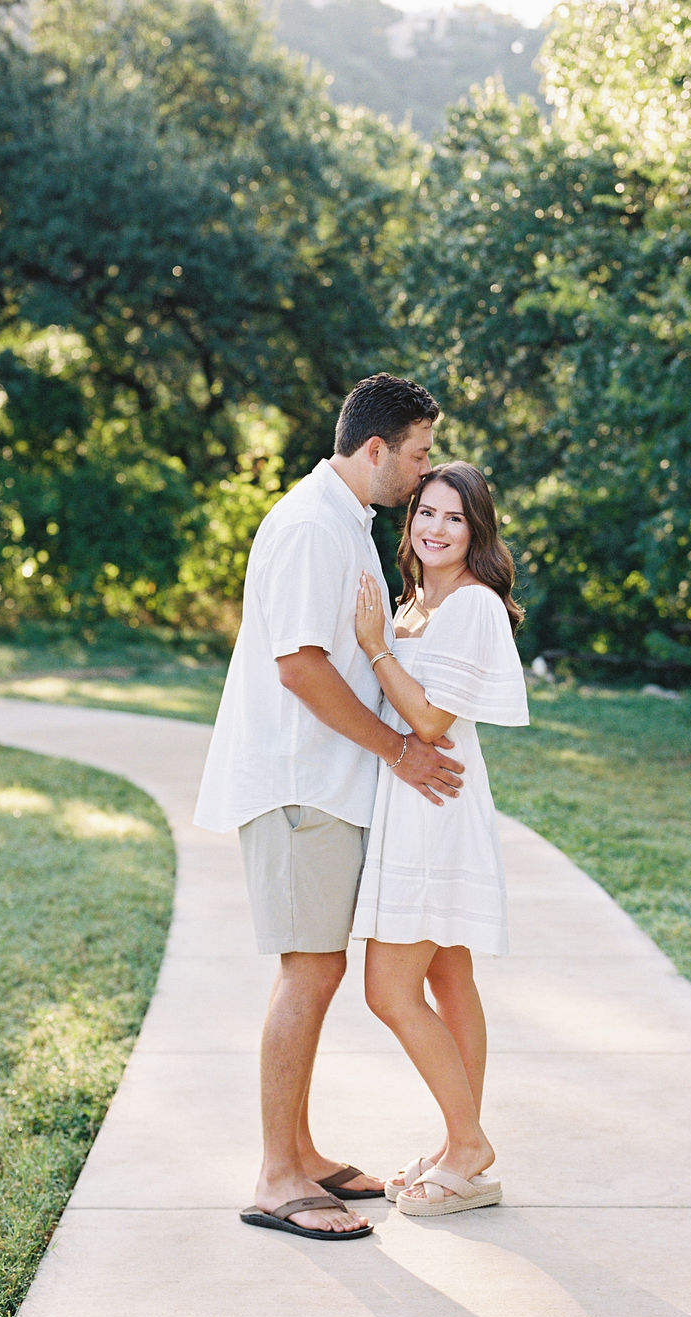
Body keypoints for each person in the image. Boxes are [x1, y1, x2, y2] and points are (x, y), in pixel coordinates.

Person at [193, 373, 465, 1241]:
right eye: (419, 454)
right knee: (306, 971)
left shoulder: (344, 523)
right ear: (376, 448)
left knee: (321, 967)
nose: (425, 474)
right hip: (299, 785)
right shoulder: (313, 527)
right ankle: (277, 1176)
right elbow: (300, 666)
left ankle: (301, 1152)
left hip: (324, 786)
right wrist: (399, 751)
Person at [352, 460, 529, 1216]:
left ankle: (468, 1143)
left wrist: (374, 647)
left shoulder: (473, 606)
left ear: (476, 529)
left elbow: (429, 722)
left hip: (436, 808)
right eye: (426, 511)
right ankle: (465, 1155)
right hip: (413, 802)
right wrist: (387, 632)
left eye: (454, 518)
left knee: (388, 989)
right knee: (448, 978)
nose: (435, 527)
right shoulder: (419, 603)